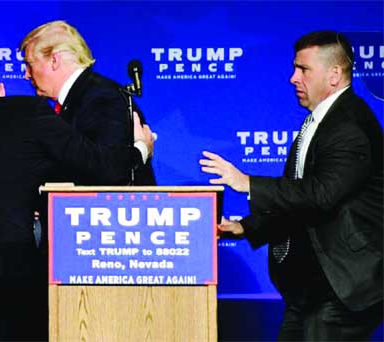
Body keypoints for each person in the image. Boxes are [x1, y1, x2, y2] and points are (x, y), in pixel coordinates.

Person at [0, 59, 154, 341]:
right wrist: (139, 150)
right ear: (1, 89)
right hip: (5, 269)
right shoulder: (29, 112)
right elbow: (95, 163)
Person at [200, 31, 383, 340]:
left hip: (343, 285)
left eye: (303, 69)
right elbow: (301, 203)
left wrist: (247, 183)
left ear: (334, 75)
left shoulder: (349, 125)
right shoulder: (320, 121)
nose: (292, 78)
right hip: (311, 287)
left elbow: (321, 195)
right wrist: (247, 226)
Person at [20, 19, 156, 186]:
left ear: (54, 60)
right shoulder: (82, 96)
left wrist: (140, 150)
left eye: (29, 63)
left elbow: (110, 169)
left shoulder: (102, 97)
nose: (26, 74)